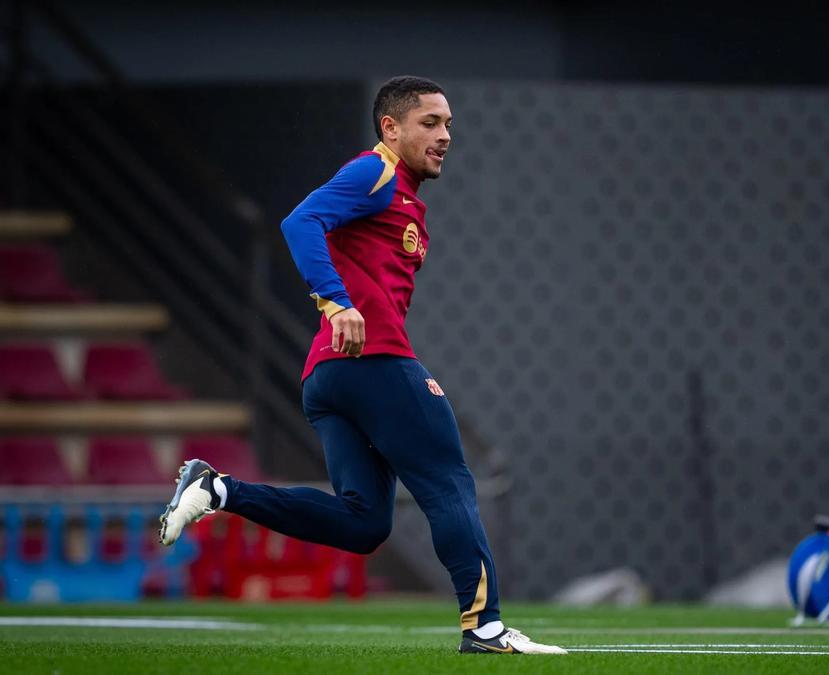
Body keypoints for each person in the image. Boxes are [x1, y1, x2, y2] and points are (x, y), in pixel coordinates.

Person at [158, 75, 565, 656]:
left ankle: (218, 489)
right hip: (372, 360)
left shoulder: (402, 197)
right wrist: (336, 300)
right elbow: (299, 222)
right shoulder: (373, 171)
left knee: (364, 524)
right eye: (430, 122)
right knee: (449, 481)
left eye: (449, 123)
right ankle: (486, 627)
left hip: (330, 376)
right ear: (390, 128)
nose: (445, 134)